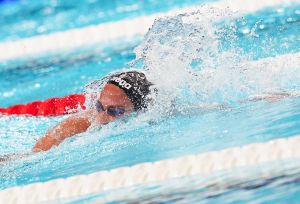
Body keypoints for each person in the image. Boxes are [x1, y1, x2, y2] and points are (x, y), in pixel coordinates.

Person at [32, 71, 153, 152]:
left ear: (138, 111)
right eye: (99, 106)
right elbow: (35, 154)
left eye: (115, 111)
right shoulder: (77, 124)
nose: (101, 118)